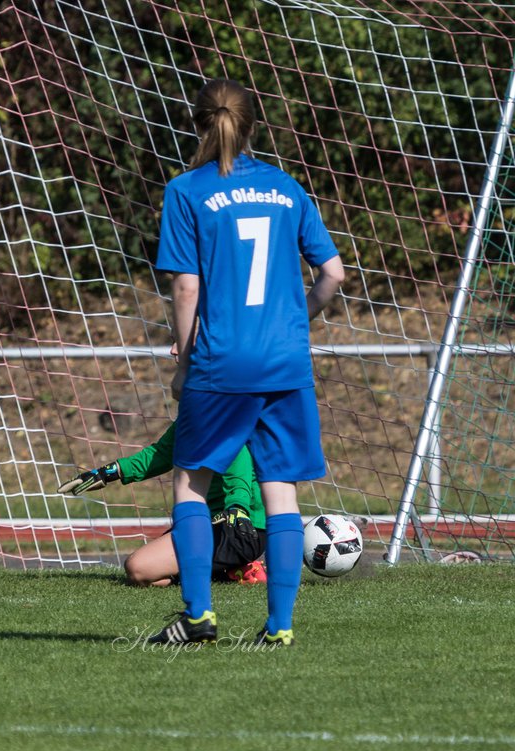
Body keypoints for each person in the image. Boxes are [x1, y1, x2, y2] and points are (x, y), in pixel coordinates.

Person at [149, 78, 344, 647]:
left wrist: (184, 361)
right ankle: (279, 628)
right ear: (253, 125)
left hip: (222, 361)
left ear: (198, 124)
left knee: (190, 483)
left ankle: (199, 616)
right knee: (280, 490)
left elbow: (186, 288)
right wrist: (295, 317)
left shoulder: (186, 191)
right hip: (284, 361)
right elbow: (332, 275)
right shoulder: (287, 187)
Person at [58, 422, 267, 587]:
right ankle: (232, 571)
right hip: (207, 522)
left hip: (239, 527)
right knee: (150, 577)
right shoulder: (192, 414)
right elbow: (160, 454)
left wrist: (238, 508)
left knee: (138, 568)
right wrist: (107, 473)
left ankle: (223, 579)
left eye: (183, 366)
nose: (176, 366)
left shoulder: (222, 413)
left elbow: (239, 473)